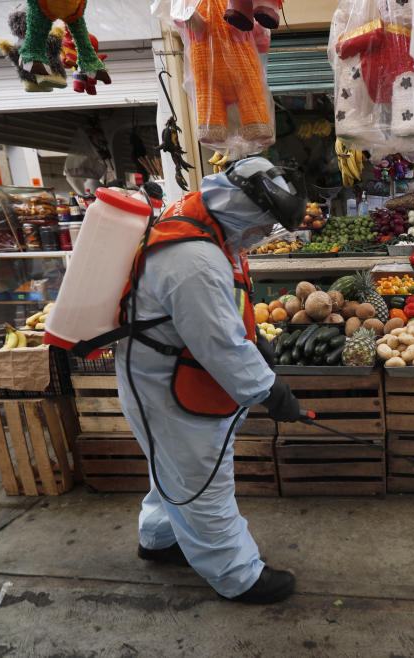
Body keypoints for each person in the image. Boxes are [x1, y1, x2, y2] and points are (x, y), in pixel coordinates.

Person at [116, 157, 303, 604]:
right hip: (167, 384)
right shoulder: (194, 259)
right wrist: (271, 390)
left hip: (163, 371)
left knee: (174, 468)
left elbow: (219, 318)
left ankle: (160, 540)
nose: (263, 237)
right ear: (246, 211)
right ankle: (237, 575)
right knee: (203, 479)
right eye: (264, 226)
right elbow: (219, 344)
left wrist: (256, 343)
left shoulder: (207, 222)